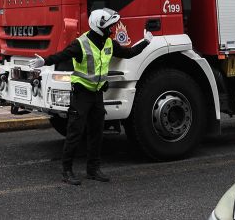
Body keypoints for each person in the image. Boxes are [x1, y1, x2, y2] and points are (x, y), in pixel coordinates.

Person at [29, 9, 152, 185]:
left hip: (97, 94)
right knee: (75, 132)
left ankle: (93, 170)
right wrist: (45, 61)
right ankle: (67, 171)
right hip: (82, 94)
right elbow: (62, 55)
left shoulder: (109, 43)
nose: (112, 29)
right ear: (100, 26)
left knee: (96, 133)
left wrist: (146, 42)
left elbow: (128, 53)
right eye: (110, 26)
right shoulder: (81, 43)